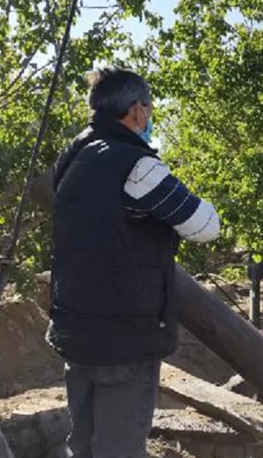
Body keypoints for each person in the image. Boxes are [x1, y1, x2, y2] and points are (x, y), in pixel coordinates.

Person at [46, 67, 220, 458]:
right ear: (136, 111)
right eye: (150, 107)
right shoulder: (137, 166)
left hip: (75, 331)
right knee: (118, 448)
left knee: (82, 444)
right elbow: (206, 226)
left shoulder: (73, 158)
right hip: (124, 340)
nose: (151, 116)